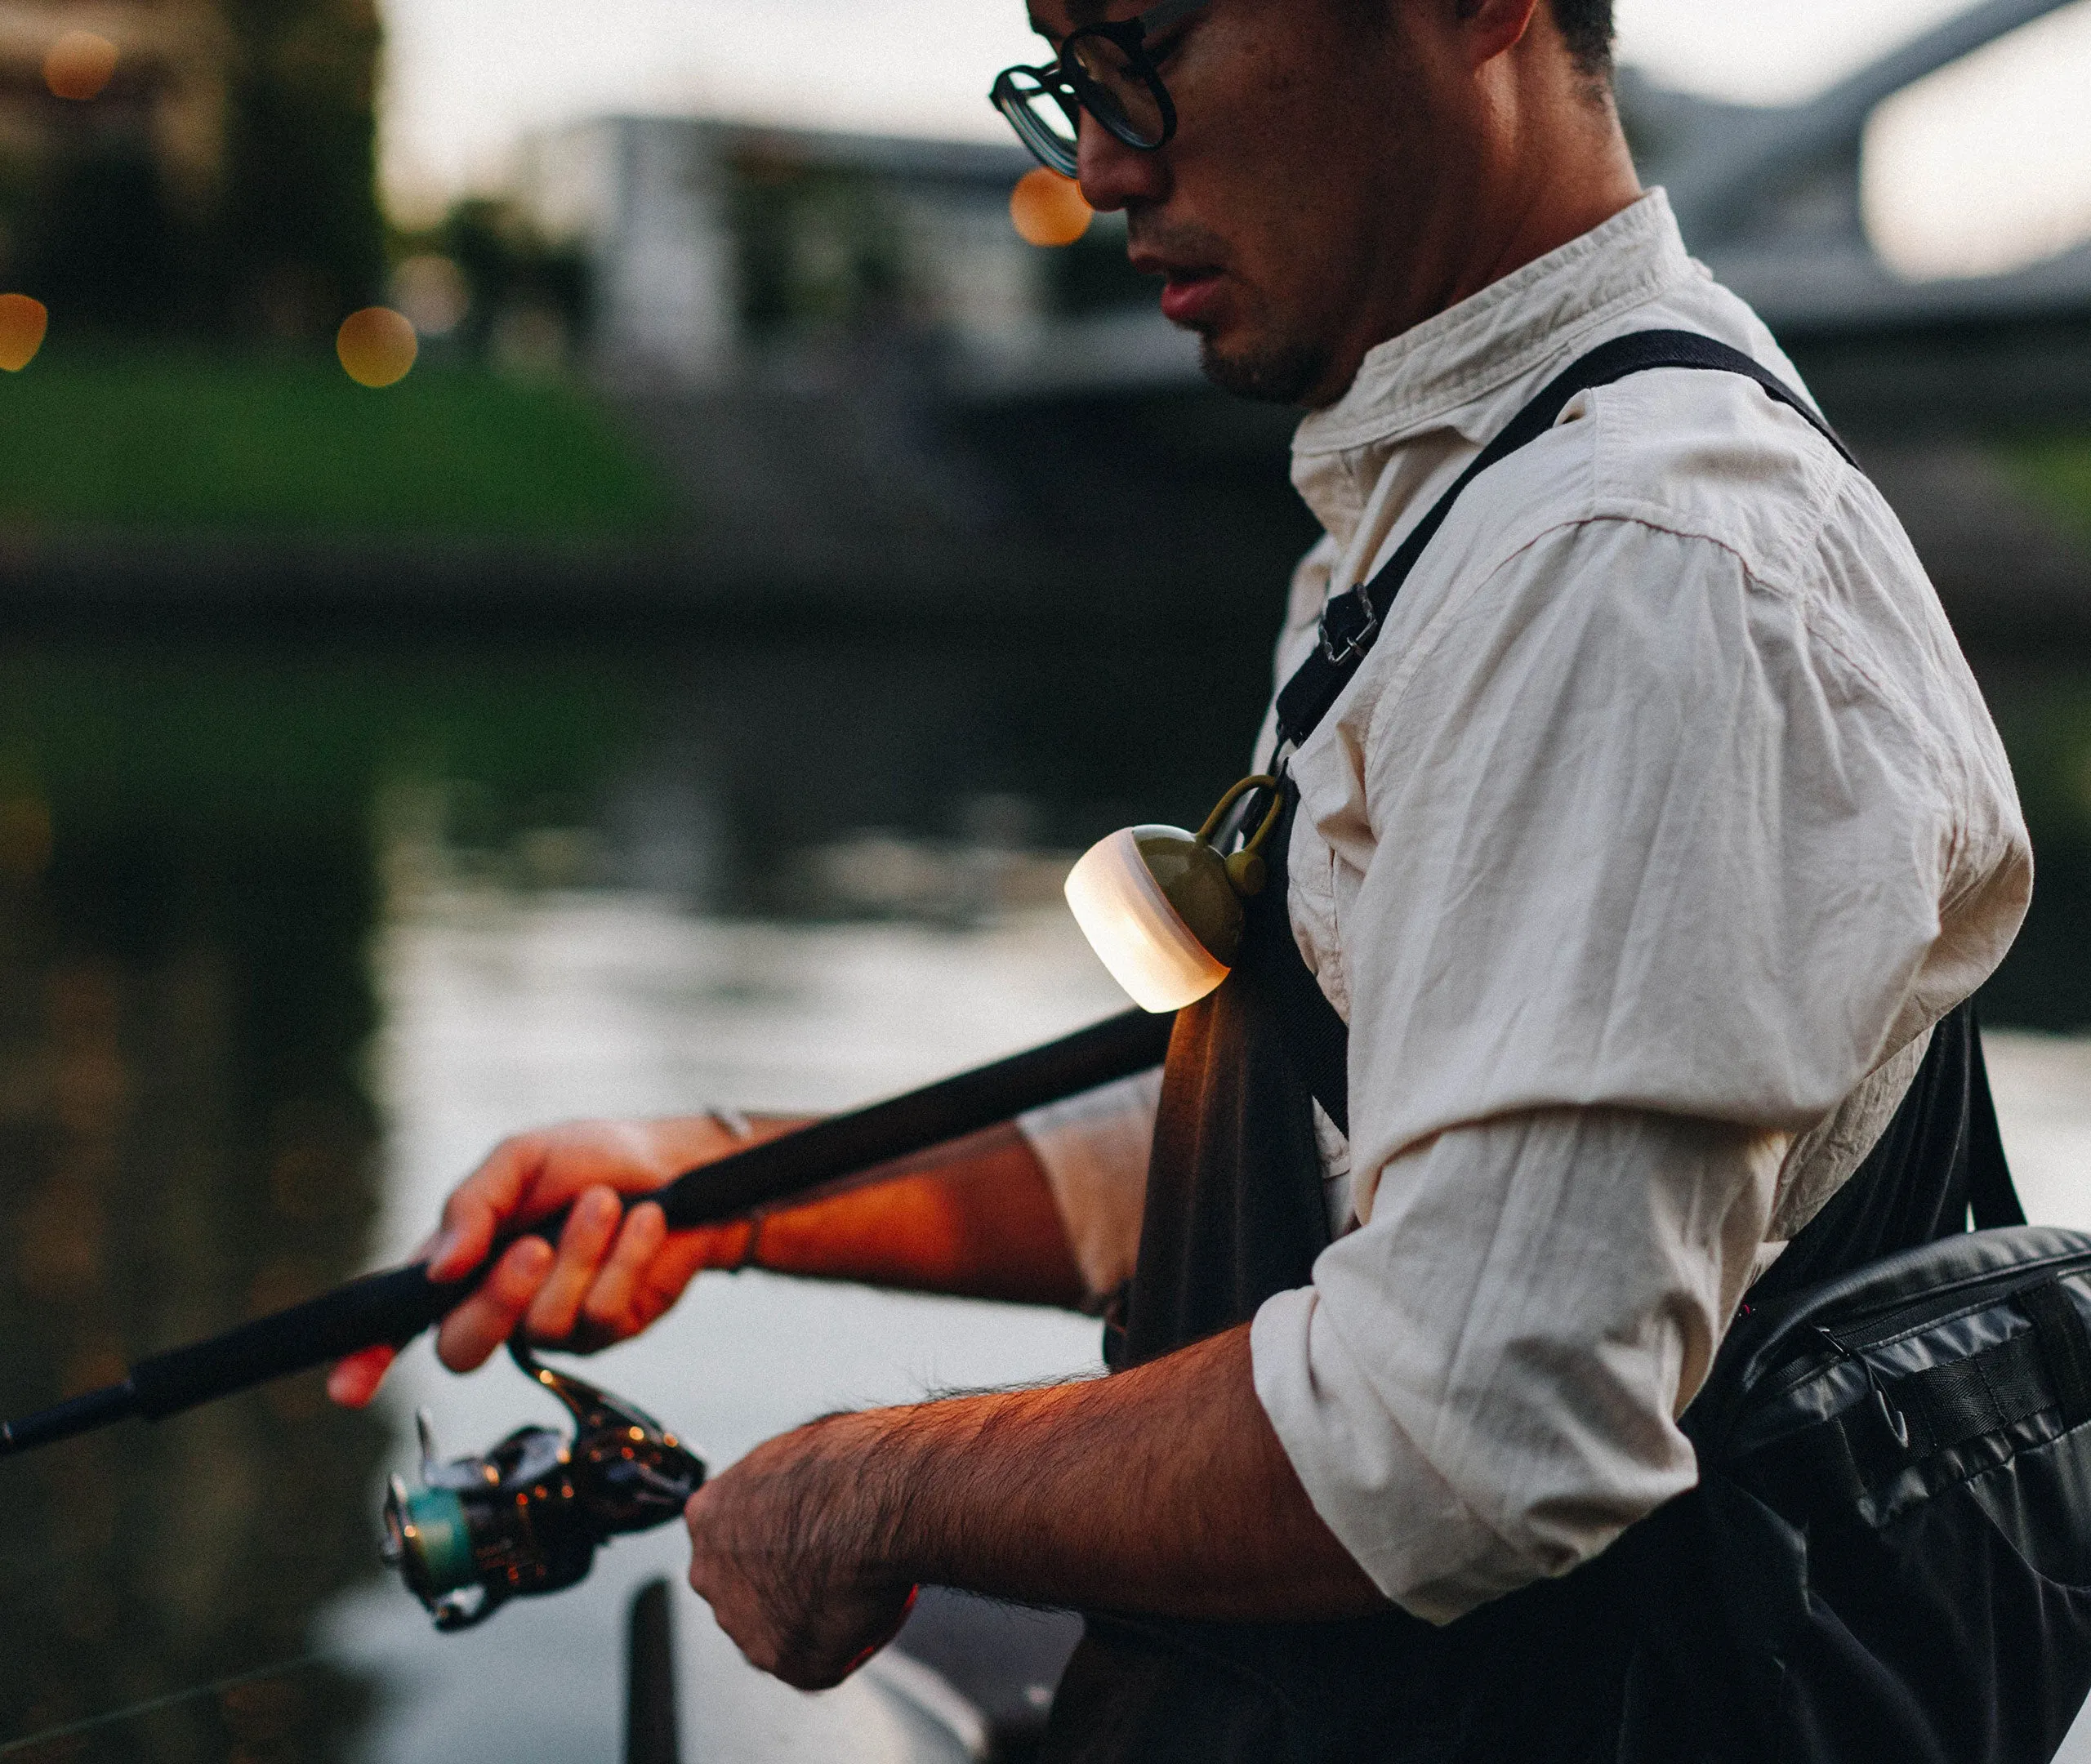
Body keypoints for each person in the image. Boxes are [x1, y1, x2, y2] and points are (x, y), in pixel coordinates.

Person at [331, 0, 2033, 1757]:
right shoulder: (1453, 498)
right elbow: (1315, 1156)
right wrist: (718, 1187)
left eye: (1143, 47)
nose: (1096, 164)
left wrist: (870, 1489)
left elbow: (1463, 1429)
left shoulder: (1633, 566)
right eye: (1069, 77)